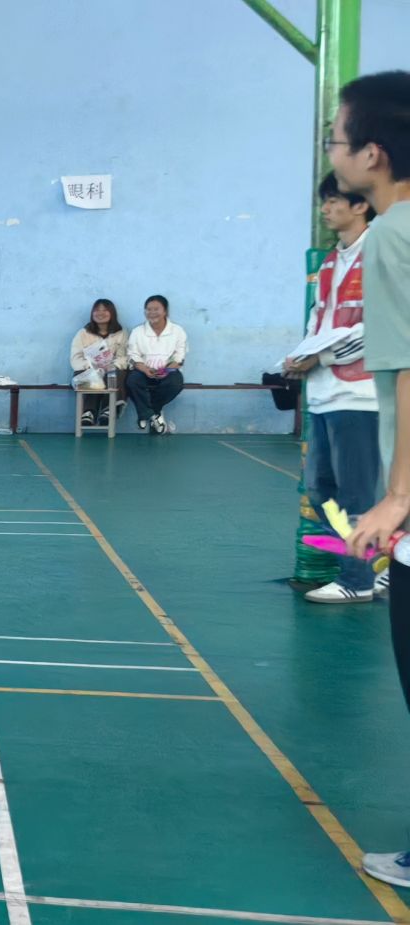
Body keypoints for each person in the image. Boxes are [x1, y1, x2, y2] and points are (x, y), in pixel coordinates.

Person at [334, 69, 410, 889]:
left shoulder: (393, 235)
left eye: (337, 137)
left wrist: (397, 495)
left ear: (374, 155)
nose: (331, 151)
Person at [293, 173, 380, 604]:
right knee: (321, 491)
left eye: (332, 201)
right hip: (324, 395)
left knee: (356, 493)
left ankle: (357, 579)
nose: (325, 209)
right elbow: (319, 322)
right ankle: (373, 564)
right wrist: (298, 357)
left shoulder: (381, 254)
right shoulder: (330, 261)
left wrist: (320, 357)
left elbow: (380, 326)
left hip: (361, 397)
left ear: (360, 205)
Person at [124, 295, 187, 434]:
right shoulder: (137, 332)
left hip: (168, 371)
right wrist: (145, 369)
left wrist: (166, 370)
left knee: (175, 384)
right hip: (143, 370)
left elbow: (179, 356)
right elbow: (132, 355)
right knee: (132, 382)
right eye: (148, 309)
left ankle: (147, 412)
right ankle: (153, 415)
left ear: (165, 311)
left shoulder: (177, 331)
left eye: (156, 309)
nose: (152, 313)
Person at [70, 298, 129, 427]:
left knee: (116, 374)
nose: (100, 313)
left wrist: (111, 366)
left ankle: (108, 410)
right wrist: (93, 367)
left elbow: (124, 357)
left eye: (105, 310)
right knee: (92, 376)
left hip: (111, 370)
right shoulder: (83, 333)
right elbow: (76, 358)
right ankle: (89, 412)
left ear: (112, 313)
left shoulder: (121, 333)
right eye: (97, 310)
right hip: (89, 370)